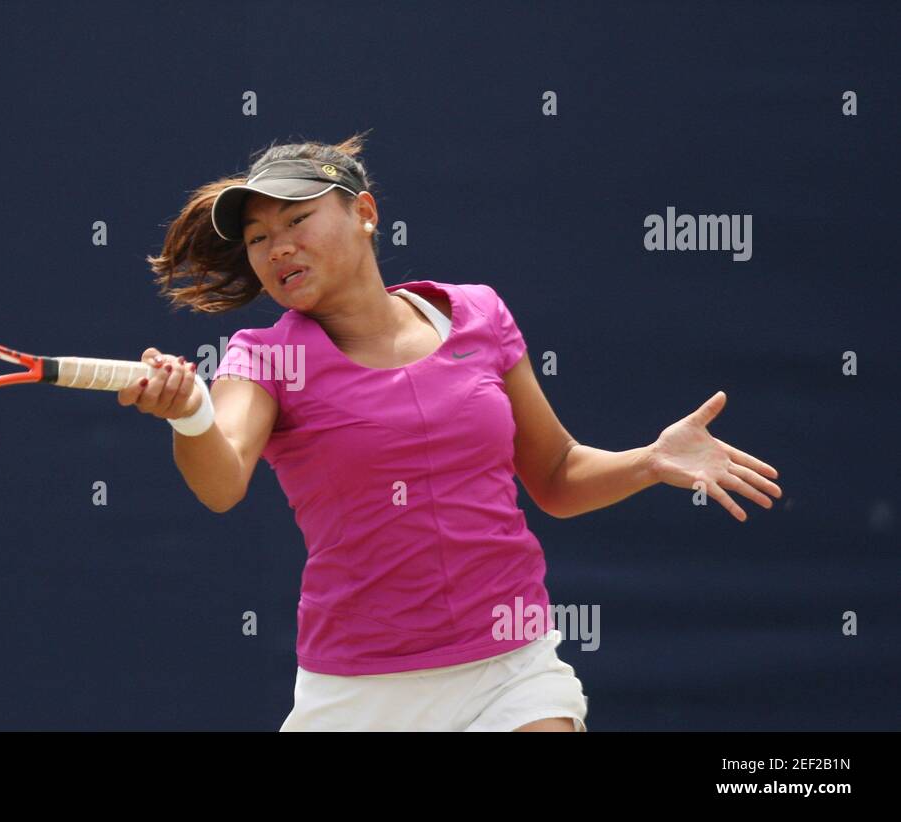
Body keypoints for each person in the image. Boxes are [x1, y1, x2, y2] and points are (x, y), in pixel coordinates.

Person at [118, 132, 782, 731]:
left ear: (366, 213)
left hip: (509, 668)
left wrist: (648, 461)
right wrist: (190, 414)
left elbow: (555, 476)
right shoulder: (265, 359)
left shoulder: (479, 315)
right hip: (356, 692)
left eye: (297, 219)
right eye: (259, 238)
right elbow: (221, 479)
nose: (278, 247)